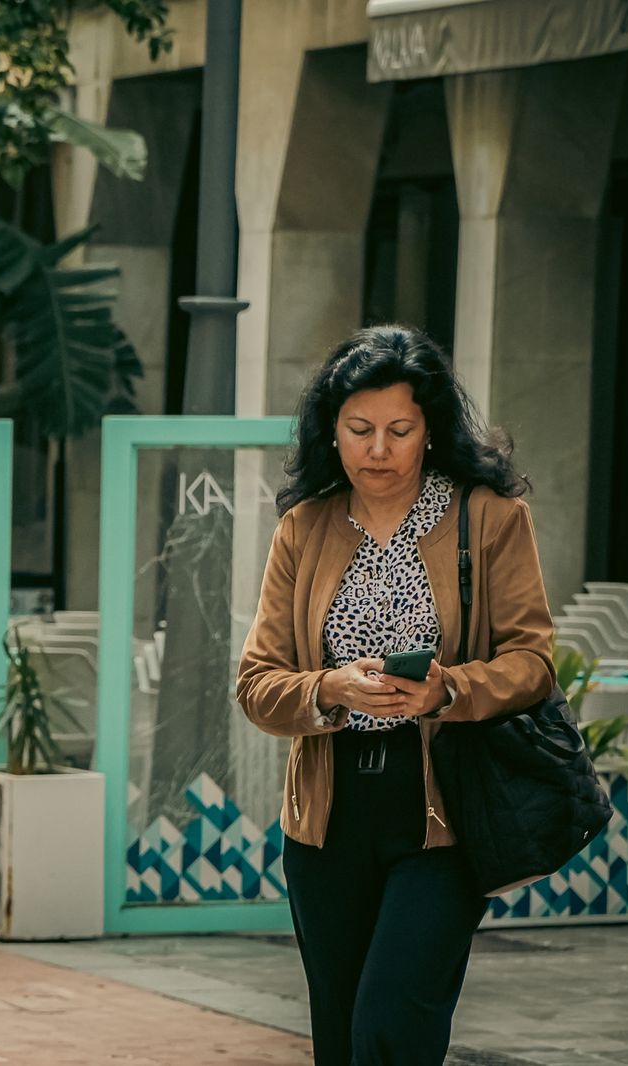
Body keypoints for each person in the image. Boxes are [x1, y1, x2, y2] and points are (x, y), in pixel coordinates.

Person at [236, 325, 556, 1065]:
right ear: (333, 432)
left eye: (399, 430)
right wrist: (329, 687)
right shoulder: (303, 528)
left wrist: (448, 690)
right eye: (360, 430)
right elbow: (257, 685)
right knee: (341, 1041)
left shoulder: (490, 519)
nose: (378, 449)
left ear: (430, 430)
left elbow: (533, 663)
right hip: (327, 819)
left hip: (445, 816)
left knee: (391, 1025)